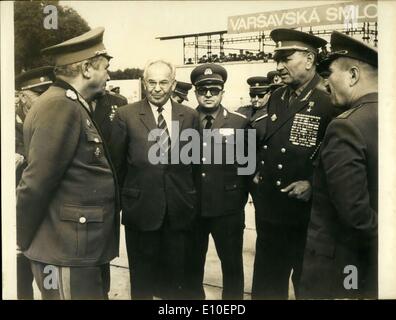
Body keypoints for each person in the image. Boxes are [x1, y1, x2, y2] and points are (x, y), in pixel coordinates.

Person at [16, 27, 119, 300]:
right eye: (105, 67)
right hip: (65, 251)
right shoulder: (60, 106)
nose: (109, 74)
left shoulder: (70, 103)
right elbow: (36, 183)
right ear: (86, 68)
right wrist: (24, 238)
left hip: (78, 247)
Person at [251, 28, 339, 299]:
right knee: (267, 287)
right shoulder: (277, 96)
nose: (279, 66)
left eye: (286, 59)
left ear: (310, 60)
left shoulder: (329, 98)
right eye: (277, 59)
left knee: (308, 287)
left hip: (307, 217)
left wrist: (314, 184)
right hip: (271, 213)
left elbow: (338, 158)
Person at [109, 59, 199, 300]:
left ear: (172, 84)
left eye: (163, 82)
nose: (157, 88)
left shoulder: (189, 117)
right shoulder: (125, 115)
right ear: (143, 83)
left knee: (175, 282)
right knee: (142, 281)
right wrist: (122, 204)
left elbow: (196, 164)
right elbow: (116, 167)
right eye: (152, 82)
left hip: (178, 211)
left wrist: (191, 203)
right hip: (141, 211)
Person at [300, 31, 378, 299]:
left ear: (353, 75)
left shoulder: (346, 126)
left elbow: (354, 213)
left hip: (341, 264)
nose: (324, 85)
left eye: (329, 74)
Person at [186, 63, 249, 300]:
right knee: (191, 266)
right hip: (193, 209)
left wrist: (236, 202)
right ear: (195, 93)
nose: (209, 95)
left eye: (214, 90)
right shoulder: (183, 121)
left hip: (228, 209)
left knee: (232, 266)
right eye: (203, 90)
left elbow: (247, 168)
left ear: (223, 92)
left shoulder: (239, 123)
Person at [14, 65, 55, 300]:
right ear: (21, 96)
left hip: (46, 220)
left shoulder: (49, 120)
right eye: (37, 94)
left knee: (50, 284)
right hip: (18, 217)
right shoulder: (9, 125)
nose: (43, 100)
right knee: (20, 284)